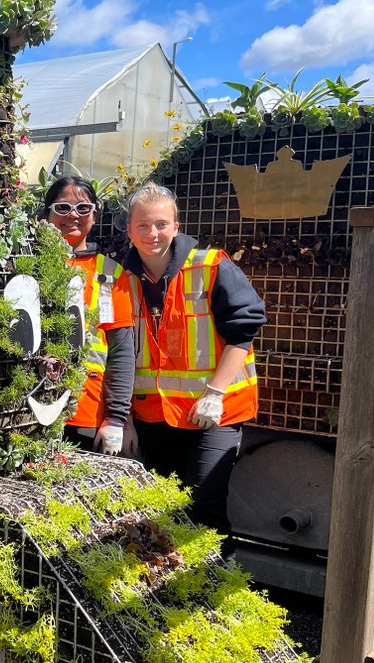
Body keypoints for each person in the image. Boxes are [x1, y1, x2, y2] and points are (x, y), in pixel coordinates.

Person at [120, 182, 266, 536]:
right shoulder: (121, 278)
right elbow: (117, 352)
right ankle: (173, 588)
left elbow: (243, 332)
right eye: (143, 225)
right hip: (152, 416)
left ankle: (218, 586)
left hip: (213, 414)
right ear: (129, 230)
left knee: (203, 507)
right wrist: (122, 418)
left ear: (176, 226)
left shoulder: (211, 266)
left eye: (161, 224)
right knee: (160, 510)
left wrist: (215, 393)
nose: (152, 233)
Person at [41, 176, 135, 456]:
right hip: (26, 411)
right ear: (46, 214)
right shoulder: (23, 263)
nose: (73, 215)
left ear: (94, 216)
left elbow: (121, 351)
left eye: (83, 208)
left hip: (85, 412)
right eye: (62, 208)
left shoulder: (108, 273)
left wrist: (116, 418)